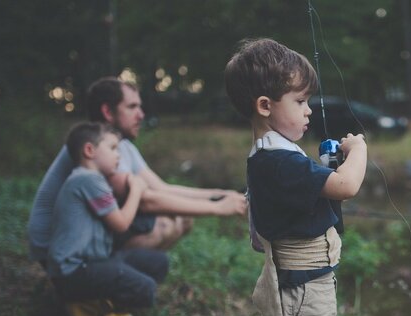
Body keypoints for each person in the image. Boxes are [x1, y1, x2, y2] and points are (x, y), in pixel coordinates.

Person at [224, 38, 367, 316]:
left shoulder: (281, 155)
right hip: (300, 287)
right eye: (301, 101)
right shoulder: (277, 161)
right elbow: (346, 187)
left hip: (312, 281)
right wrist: (357, 152)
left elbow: (307, 195)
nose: (308, 110)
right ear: (265, 105)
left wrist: (323, 168)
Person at [27, 76, 247, 265]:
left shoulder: (120, 146)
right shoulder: (96, 152)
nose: (141, 115)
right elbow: (146, 200)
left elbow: (162, 188)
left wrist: (220, 194)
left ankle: (119, 282)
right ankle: (103, 288)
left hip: (84, 236)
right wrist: (218, 208)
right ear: (107, 111)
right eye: (132, 107)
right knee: (164, 224)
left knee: (182, 218)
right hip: (56, 249)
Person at [47, 122, 169, 316]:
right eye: (113, 148)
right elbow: (121, 224)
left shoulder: (91, 179)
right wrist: (137, 190)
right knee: (145, 289)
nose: (118, 156)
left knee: (159, 262)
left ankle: (98, 302)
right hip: (73, 272)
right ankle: (80, 303)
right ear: (89, 151)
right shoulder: (87, 179)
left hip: (94, 262)